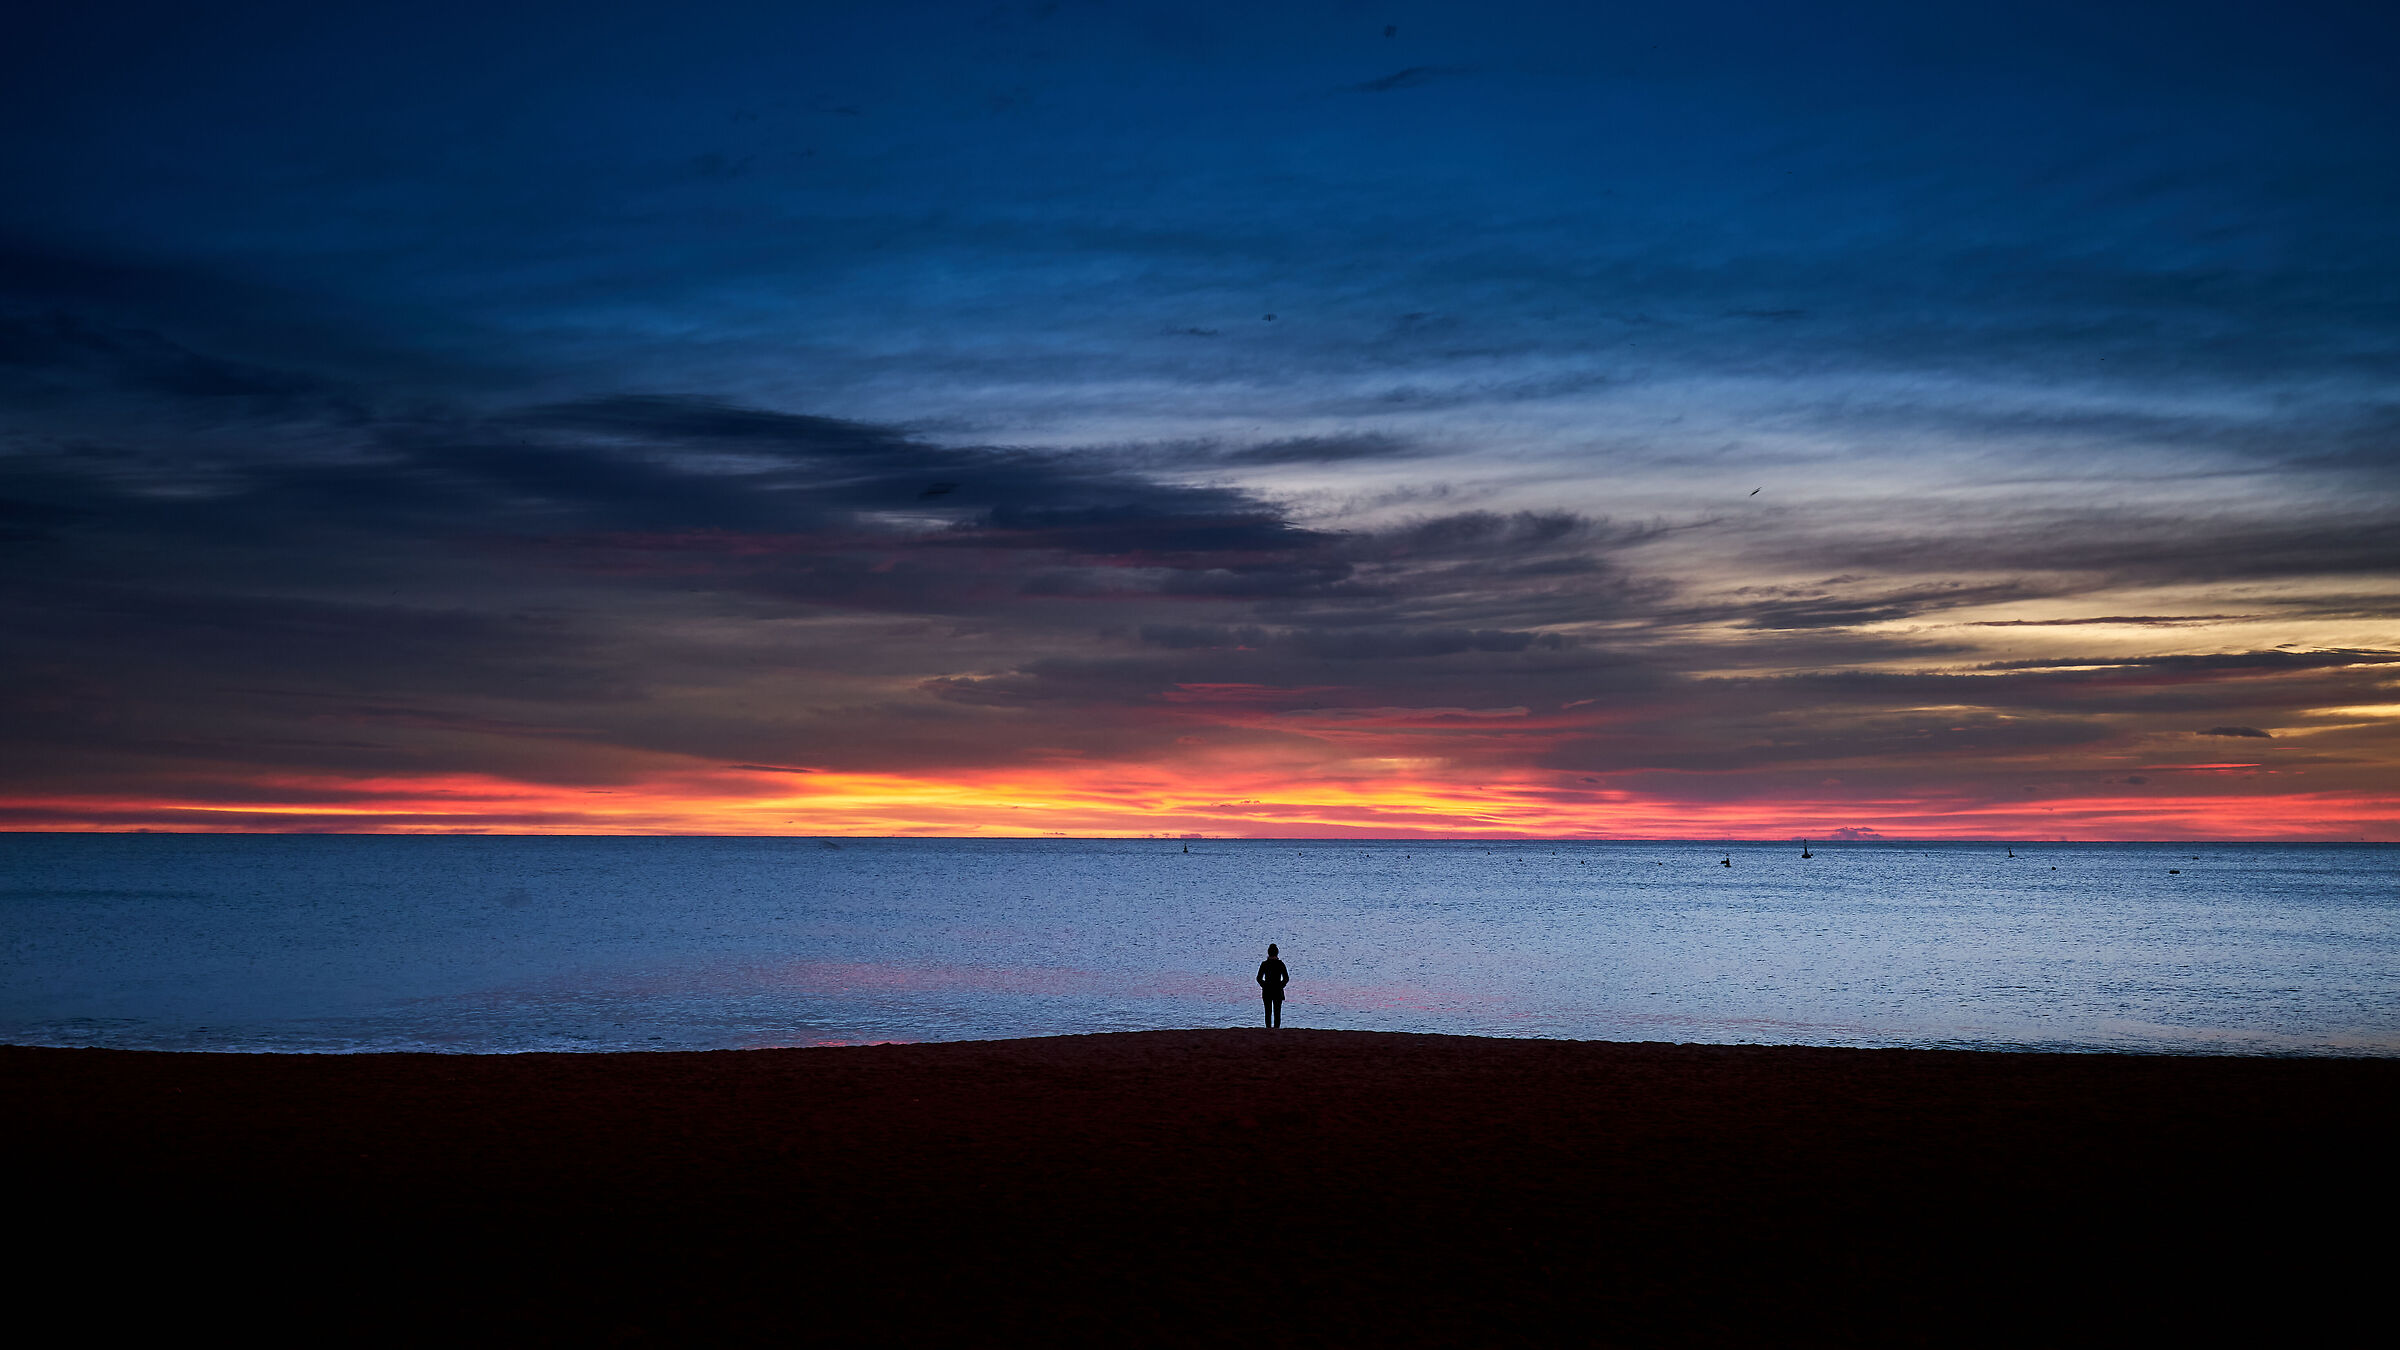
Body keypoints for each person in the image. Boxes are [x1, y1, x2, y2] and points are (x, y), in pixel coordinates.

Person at [1256, 943, 1289, 1028]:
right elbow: (1286, 978)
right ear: (1277, 953)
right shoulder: (1280, 964)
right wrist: (1281, 986)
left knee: (1268, 1012)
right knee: (1277, 1012)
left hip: (1267, 991)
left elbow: (1259, 978)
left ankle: (1268, 1029)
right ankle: (1276, 1029)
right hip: (1277, 990)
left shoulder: (1264, 964)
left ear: (1268, 953)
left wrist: (1264, 985)